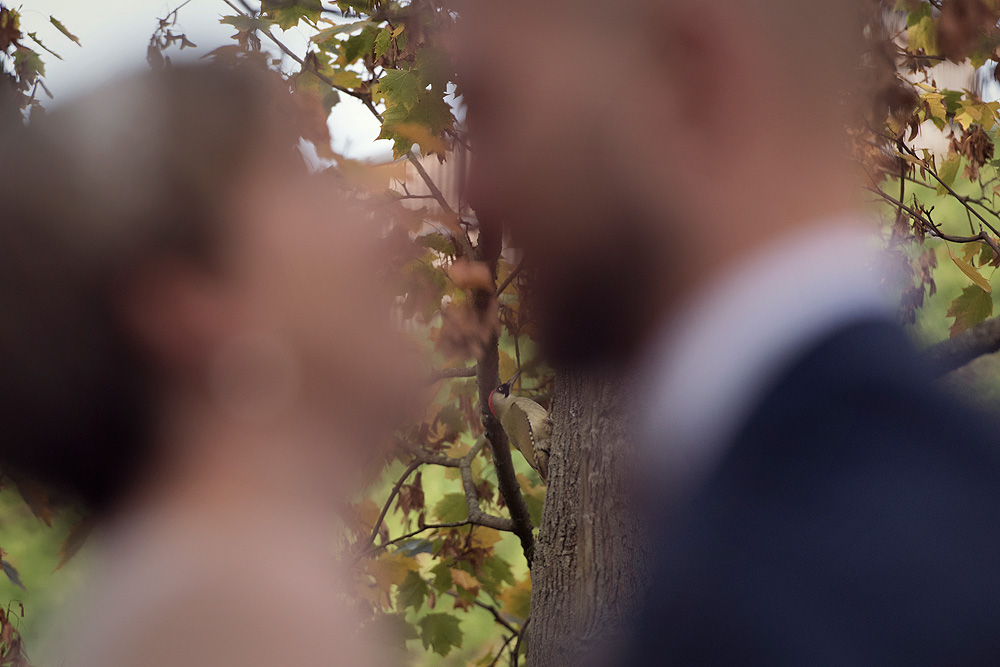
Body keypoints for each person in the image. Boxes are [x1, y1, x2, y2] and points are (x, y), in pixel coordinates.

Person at [455, 0, 1000, 663]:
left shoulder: (752, 608)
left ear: (684, 75)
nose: (479, 190)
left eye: (497, 107)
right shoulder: (942, 511)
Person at [0, 64, 417, 666]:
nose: (377, 234)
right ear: (185, 303)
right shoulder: (233, 608)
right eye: (298, 185)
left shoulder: (189, 585)